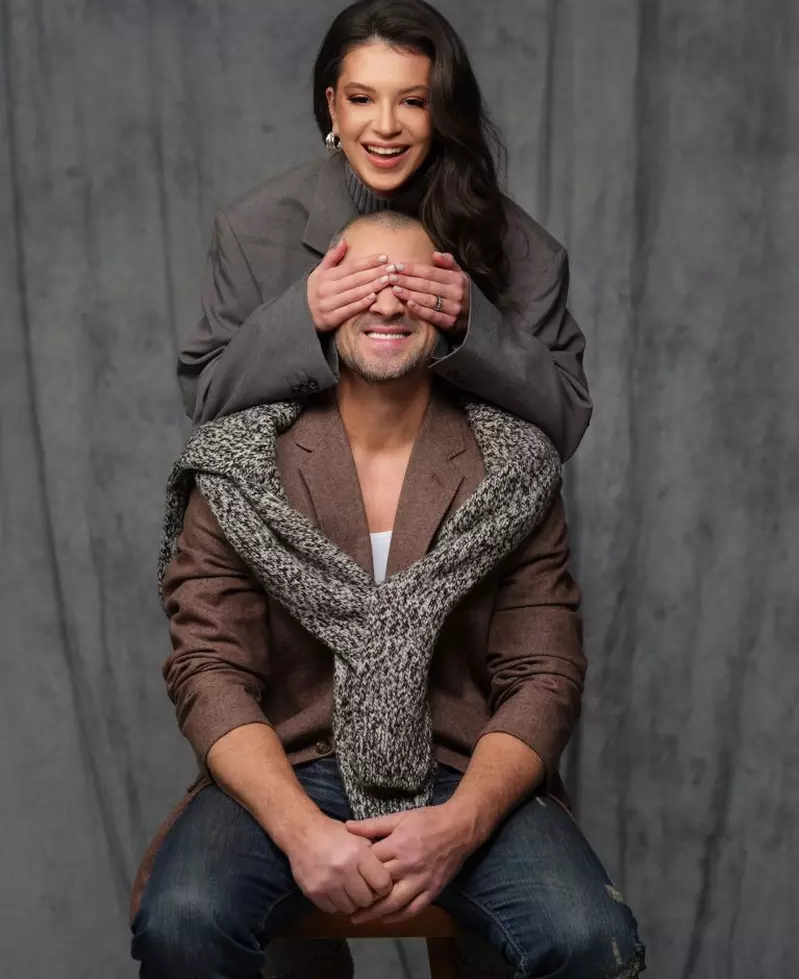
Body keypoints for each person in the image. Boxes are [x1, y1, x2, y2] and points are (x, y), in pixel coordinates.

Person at [131, 212, 644, 979]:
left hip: (460, 766)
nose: (389, 302)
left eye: (414, 284)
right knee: (181, 921)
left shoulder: (515, 464)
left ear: (450, 305)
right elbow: (209, 670)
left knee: (591, 938)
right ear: (320, 300)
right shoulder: (241, 464)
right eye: (363, 281)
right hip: (291, 763)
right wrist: (301, 830)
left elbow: (544, 675)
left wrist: (461, 824)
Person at [179, 0, 592, 461]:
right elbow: (205, 398)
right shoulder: (252, 231)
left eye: (414, 101)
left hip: (467, 502)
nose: (386, 126)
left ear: (442, 111)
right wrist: (301, 317)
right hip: (297, 501)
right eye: (362, 99)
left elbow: (567, 421)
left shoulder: (525, 250)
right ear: (333, 108)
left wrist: (475, 326)